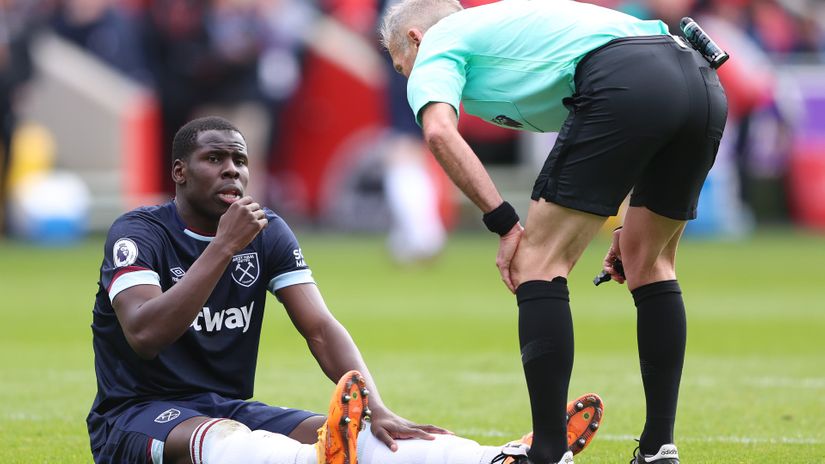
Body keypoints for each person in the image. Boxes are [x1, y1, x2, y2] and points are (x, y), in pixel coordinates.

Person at [86, 116, 604, 464]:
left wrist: (378, 405)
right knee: (233, 444)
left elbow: (320, 328)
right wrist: (221, 249)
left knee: (372, 436)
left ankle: (505, 456)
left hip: (225, 403)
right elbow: (144, 333)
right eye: (214, 159)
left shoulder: (265, 233)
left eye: (240, 160)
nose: (232, 171)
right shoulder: (139, 234)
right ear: (178, 172)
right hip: (135, 417)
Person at [379, 1, 728, 463]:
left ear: (416, 39)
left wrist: (503, 222)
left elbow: (440, 133)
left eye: (404, 68)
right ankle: (658, 448)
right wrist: (625, 218)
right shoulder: (507, 30)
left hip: (628, 77)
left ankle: (547, 451)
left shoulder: (441, 39)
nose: (411, 81)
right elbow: (639, 98)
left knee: (535, 264)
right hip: (697, 77)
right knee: (650, 261)